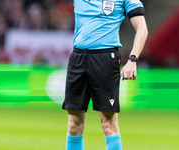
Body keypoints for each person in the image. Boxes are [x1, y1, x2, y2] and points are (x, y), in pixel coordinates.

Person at [62, 0, 148, 149]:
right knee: (74, 122)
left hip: (105, 59)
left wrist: (132, 59)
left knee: (108, 122)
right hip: (78, 57)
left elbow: (142, 29)